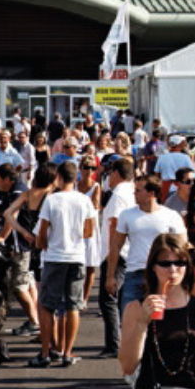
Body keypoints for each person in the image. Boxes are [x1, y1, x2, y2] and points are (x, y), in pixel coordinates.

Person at [119, 233, 195, 389]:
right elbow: (128, 365)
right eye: (165, 263)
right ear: (153, 266)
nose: (172, 270)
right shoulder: (135, 308)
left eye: (179, 263)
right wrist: (142, 324)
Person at [30, 161, 97, 367]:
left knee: (47, 305)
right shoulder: (84, 200)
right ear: (76, 177)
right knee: (72, 305)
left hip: (55, 256)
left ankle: (45, 353)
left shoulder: (52, 200)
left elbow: (42, 230)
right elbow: (89, 231)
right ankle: (68, 352)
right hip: (76, 256)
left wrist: (42, 245)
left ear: (58, 177)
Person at [106, 174, 188, 316]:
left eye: (138, 190)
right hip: (134, 273)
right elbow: (116, 247)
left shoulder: (171, 216)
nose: (134, 194)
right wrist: (110, 276)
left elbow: (183, 247)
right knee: (128, 318)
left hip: (162, 275)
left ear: (151, 193)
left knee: (160, 319)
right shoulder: (126, 215)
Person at [2, 163, 58, 337]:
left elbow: (8, 214)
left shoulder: (27, 194)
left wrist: (23, 231)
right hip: (49, 244)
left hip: (31, 243)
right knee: (47, 292)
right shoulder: (52, 196)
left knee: (36, 285)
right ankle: (47, 333)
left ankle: (40, 327)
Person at [97, 158, 136, 359]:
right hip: (125, 251)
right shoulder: (131, 192)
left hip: (117, 253)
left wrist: (111, 257)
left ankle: (114, 344)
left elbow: (114, 226)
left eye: (110, 174)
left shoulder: (119, 196)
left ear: (117, 174)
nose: (108, 178)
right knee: (119, 298)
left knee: (108, 299)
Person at [77, 157, 102, 308]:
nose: (90, 171)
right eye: (87, 167)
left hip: (90, 226)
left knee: (90, 264)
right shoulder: (74, 185)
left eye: (93, 168)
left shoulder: (96, 186)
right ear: (80, 168)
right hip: (75, 226)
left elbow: (95, 206)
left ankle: (84, 298)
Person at [155, 135, 194, 202]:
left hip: (165, 188)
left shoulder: (162, 157)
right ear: (179, 144)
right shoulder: (186, 157)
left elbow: (157, 174)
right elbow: (191, 174)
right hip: (180, 188)